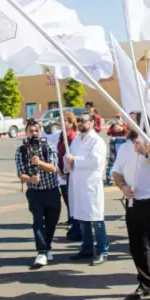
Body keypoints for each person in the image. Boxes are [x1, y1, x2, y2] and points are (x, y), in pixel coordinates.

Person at [112, 117, 150, 300]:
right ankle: (144, 284)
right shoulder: (123, 147)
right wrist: (122, 186)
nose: (126, 124)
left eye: (131, 120)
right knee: (137, 247)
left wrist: (146, 152)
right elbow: (116, 171)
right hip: (132, 202)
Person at [15, 119, 62, 268]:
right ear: (26, 132)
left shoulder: (48, 146)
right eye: (31, 131)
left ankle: (47, 247)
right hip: (35, 193)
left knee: (51, 223)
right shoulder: (21, 150)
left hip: (52, 191)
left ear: (40, 132)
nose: (34, 134)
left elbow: (53, 168)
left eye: (36, 131)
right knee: (38, 222)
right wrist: (30, 179)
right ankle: (41, 252)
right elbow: (20, 173)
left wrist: (39, 162)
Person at [67, 113, 109, 265]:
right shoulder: (77, 139)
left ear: (91, 122)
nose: (80, 123)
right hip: (78, 183)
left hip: (91, 185)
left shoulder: (97, 141)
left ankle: (103, 250)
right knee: (82, 218)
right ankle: (87, 248)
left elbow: (95, 161)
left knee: (96, 219)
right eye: (78, 121)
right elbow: (70, 155)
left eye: (83, 121)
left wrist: (74, 160)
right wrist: (69, 163)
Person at [57, 112, 81, 242]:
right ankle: (71, 220)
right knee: (67, 198)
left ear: (71, 123)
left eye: (66, 120)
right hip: (62, 171)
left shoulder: (72, 137)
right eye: (61, 120)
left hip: (69, 172)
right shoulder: (62, 135)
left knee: (71, 199)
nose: (63, 122)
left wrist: (66, 171)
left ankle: (75, 224)